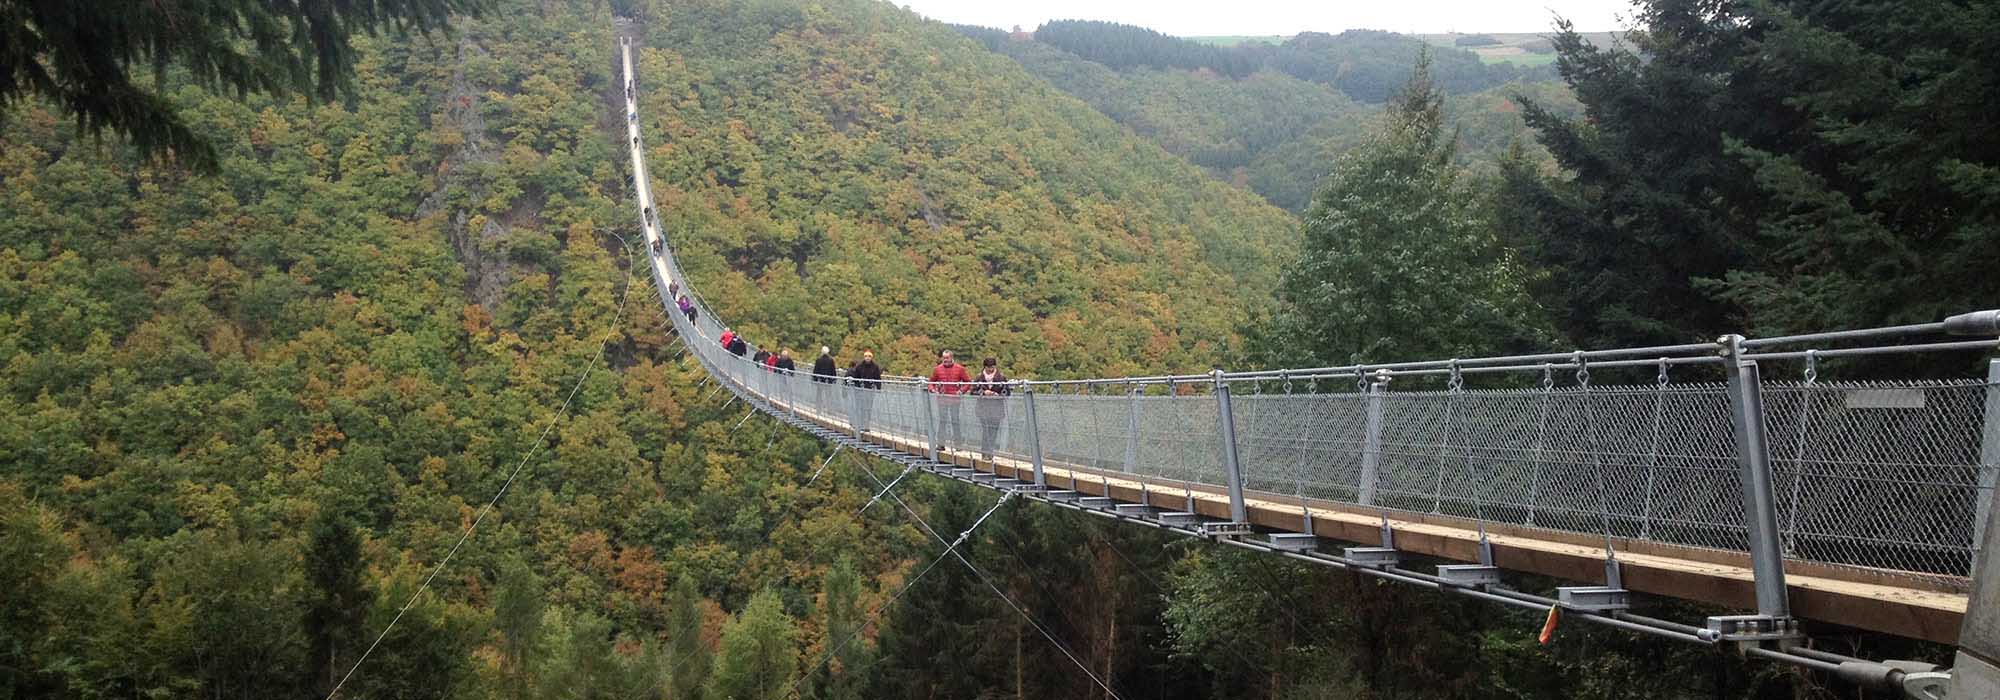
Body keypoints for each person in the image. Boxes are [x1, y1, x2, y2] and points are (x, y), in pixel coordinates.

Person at [928, 350, 972, 449]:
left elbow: (968, 382)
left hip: (954, 400)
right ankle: (940, 444)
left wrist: (961, 391)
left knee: (955, 421)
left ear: (952, 358)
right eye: (944, 358)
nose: (945, 360)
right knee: (942, 421)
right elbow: (931, 382)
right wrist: (933, 390)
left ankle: (958, 445)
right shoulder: (937, 369)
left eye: (947, 358)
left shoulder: (960, 369)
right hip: (942, 399)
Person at [970, 357, 1010, 461]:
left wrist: (998, 394)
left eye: (992, 367)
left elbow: (1007, 392)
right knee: (986, 430)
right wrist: (983, 393)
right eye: (988, 368)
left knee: (994, 431)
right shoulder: (979, 377)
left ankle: (990, 452)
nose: (990, 370)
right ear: (985, 367)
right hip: (983, 408)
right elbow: (972, 391)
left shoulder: (1001, 377)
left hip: (996, 408)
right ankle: (985, 453)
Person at [848, 350, 882, 433]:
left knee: (868, 408)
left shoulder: (875, 366)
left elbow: (878, 378)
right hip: (861, 390)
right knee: (861, 407)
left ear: (871, 357)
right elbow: (856, 376)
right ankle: (861, 425)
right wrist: (857, 386)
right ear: (864, 357)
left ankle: (866, 425)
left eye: (869, 356)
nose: (867, 358)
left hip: (870, 389)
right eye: (866, 356)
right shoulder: (859, 366)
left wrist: (878, 387)